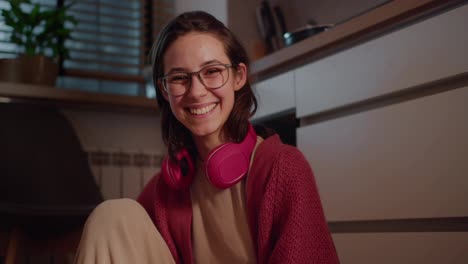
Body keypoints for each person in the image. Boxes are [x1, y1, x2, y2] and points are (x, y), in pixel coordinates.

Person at [74, 11, 339, 264]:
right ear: (165, 91)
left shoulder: (285, 168)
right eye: (179, 78)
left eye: (212, 71)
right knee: (112, 215)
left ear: (238, 77)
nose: (197, 92)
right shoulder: (166, 189)